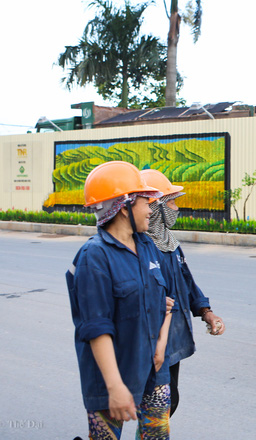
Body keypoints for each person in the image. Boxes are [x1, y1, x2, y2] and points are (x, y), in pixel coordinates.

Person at [66, 161, 176, 439]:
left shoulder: (148, 245)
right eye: (145, 202)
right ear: (123, 205)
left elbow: (162, 301)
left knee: (156, 435)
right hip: (110, 378)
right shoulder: (95, 256)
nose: (152, 209)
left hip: (153, 371)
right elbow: (96, 326)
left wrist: (161, 343)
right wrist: (115, 386)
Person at [140, 169, 226, 417]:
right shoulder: (139, 247)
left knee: (168, 404)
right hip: (153, 340)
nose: (177, 208)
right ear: (155, 206)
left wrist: (206, 312)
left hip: (174, 336)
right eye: (172, 202)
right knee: (158, 407)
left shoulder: (169, 241)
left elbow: (186, 282)